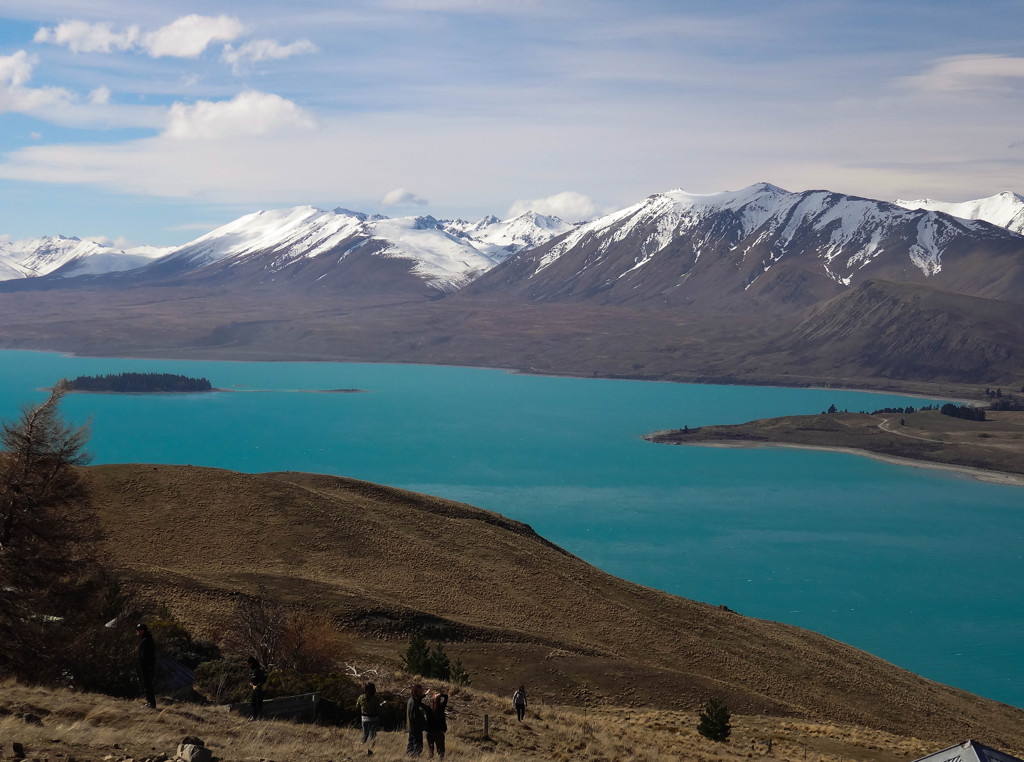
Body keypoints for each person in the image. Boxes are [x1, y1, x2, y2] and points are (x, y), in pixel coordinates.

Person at [355, 682, 382, 756]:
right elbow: (378, 709)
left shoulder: (361, 697)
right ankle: (372, 748)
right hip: (374, 718)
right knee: (372, 734)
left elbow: (357, 706)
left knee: (365, 733)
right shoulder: (375, 699)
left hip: (364, 718)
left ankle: (361, 745)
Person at [135, 623, 157, 709]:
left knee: (148, 685)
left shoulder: (146, 640)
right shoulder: (147, 639)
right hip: (148, 666)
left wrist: (144, 665)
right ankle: (149, 702)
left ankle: (151, 703)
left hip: (147, 667)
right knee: (147, 685)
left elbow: (145, 656)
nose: (136, 631)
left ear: (142, 631)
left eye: (138, 630)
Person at [424, 689, 449, 760]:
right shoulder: (441, 708)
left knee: (430, 752)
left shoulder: (428, 709)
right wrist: (440, 694)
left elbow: (419, 702)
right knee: (441, 752)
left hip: (429, 733)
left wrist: (425, 694)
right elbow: (446, 697)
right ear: (439, 700)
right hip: (439, 733)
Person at [406, 682, 428, 756]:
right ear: (415, 692)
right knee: (417, 743)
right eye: (419, 692)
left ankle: (409, 754)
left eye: (421, 692)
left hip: (412, 727)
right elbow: (415, 716)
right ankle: (415, 756)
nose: (421, 693)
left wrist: (425, 695)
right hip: (416, 727)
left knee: (411, 741)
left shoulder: (411, 700)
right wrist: (423, 720)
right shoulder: (414, 702)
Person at [246, 656, 267, 720]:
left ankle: (259, 718)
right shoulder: (252, 670)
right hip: (255, 688)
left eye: (248, 664)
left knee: (259, 704)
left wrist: (258, 685)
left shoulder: (258, 669)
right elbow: (253, 678)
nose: (248, 665)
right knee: (253, 703)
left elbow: (263, 679)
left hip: (260, 689)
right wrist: (251, 683)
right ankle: (254, 717)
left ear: (251, 663)